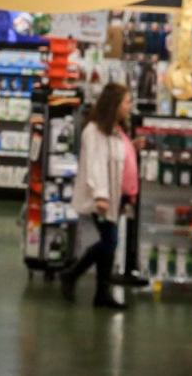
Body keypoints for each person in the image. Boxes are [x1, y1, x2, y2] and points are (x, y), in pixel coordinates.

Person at [59, 82, 139, 309]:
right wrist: (101, 196)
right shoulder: (94, 132)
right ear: (114, 104)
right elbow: (96, 165)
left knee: (109, 243)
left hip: (114, 197)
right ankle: (71, 274)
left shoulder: (113, 130)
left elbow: (114, 158)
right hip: (101, 198)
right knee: (109, 242)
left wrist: (132, 148)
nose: (129, 106)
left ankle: (101, 294)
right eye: (126, 102)